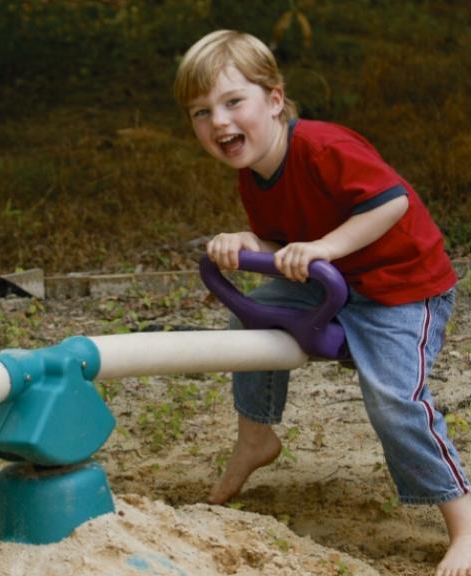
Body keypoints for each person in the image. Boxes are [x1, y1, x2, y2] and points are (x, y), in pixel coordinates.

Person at [175, 30, 471, 575]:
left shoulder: (324, 147)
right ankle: (256, 437)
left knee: (393, 397)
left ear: (275, 100)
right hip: (331, 277)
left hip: (398, 287)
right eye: (201, 111)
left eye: (233, 101)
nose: (218, 121)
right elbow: (283, 242)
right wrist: (249, 243)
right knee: (250, 320)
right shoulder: (256, 173)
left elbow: (392, 203)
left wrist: (325, 248)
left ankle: (464, 521)